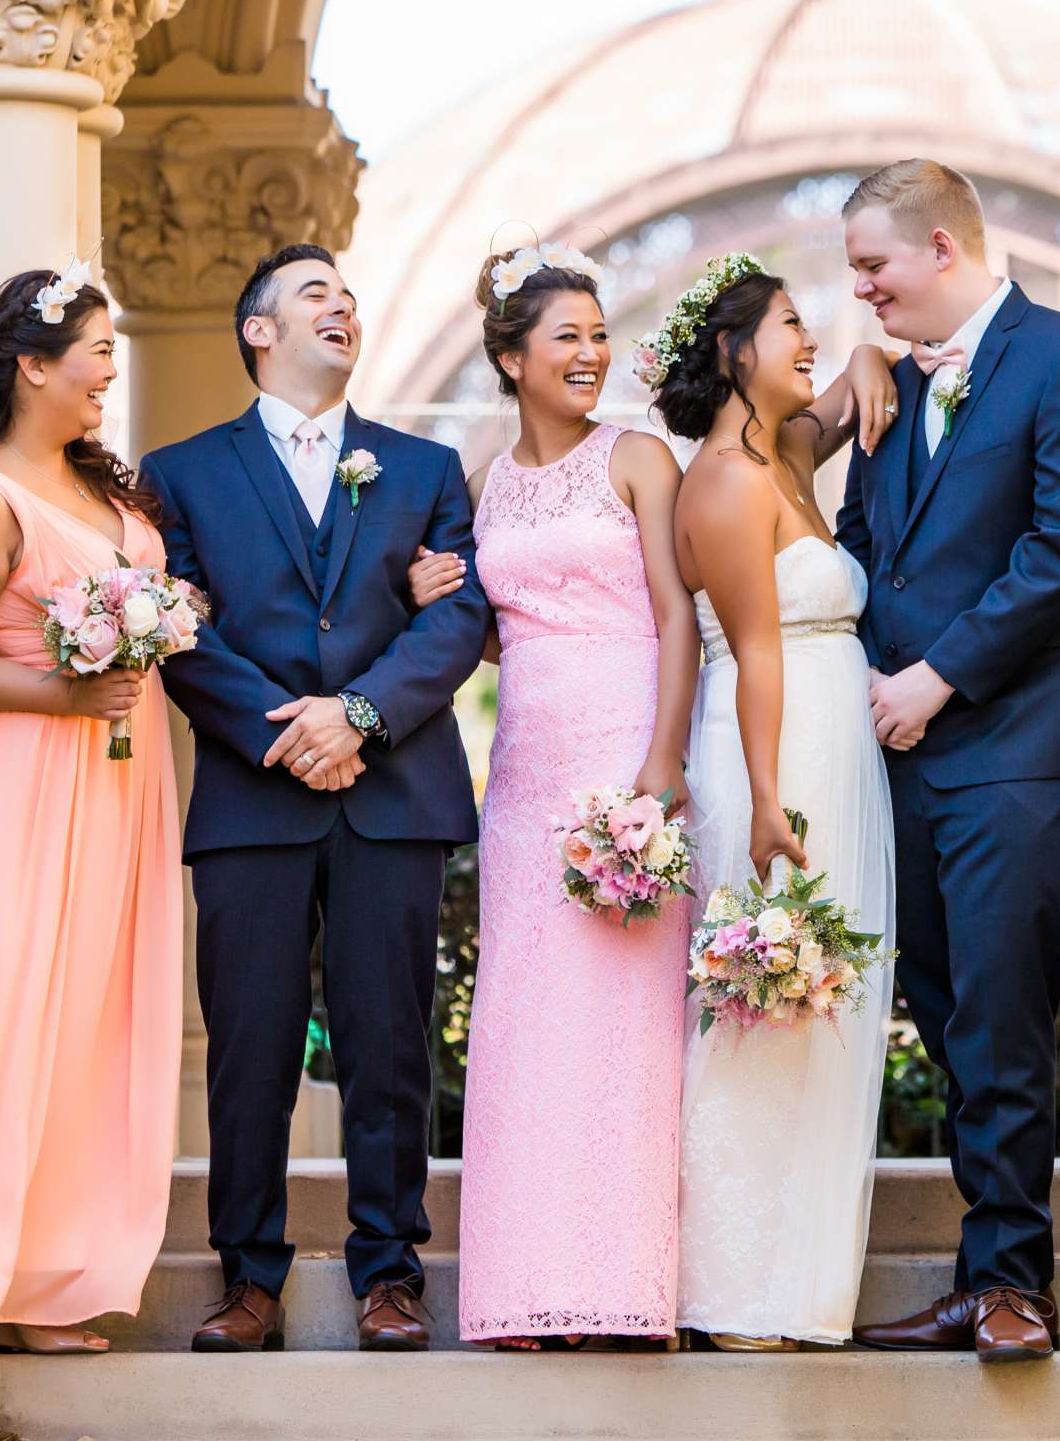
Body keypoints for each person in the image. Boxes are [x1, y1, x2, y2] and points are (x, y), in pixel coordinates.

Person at [139, 244, 490, 1355]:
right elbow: (176, 629)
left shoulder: (424, 467)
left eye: (349, 297)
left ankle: (392, 1273)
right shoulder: (179, 473)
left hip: (395, 790)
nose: (342, 309)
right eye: (314, 298)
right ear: (258, 331)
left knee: (393, 1046)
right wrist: (289, 737)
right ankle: (248, 1278)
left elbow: (459, 616)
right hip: (254, 797)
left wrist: (361, 717)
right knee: (252, 1047)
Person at [836, 159, 1060, 1363]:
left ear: (945, 248)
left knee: (1006, 1017)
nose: (861, 291)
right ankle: (979, 1268)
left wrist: (935, 678)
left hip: (1015, 751)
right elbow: (867, 542)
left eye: (875, 267)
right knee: (948, 1013)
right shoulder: (894, 385)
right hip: (897, 756)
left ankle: (1015, 1282)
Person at [0, 264, 181, 1353]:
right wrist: (66, 689)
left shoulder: (106, 493)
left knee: (96, 1013)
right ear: (33, 364)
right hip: (21, 782)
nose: (111, 371)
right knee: (15, 1004)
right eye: (97, 351)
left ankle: (63, 1265)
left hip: (115, 778)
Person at [430, 243, 698, 1351]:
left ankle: (626, 1286)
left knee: (628, 1030)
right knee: (526, 1028)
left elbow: (681, 614)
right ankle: (524, 1286)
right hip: (527, 774)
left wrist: (665, 762)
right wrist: (432, 591)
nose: (591, 354)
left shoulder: (640, 458)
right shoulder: (486, 482)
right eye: (566, 338)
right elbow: (496, 632)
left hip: (628, 752)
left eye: (597, 334)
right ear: (510, 356)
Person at [648, 256, 900, 1349]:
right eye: (792, 324)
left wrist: (870, 350)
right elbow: (751, 653)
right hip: (775, 750)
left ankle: (800, 1283)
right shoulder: (729, 481)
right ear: (731, 352)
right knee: (770, 1003)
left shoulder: (789, 451)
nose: (812, 338)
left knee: (827, 1006)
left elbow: (850, 395)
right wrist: (762, 803)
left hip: (831, 739)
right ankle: (735, 1287)